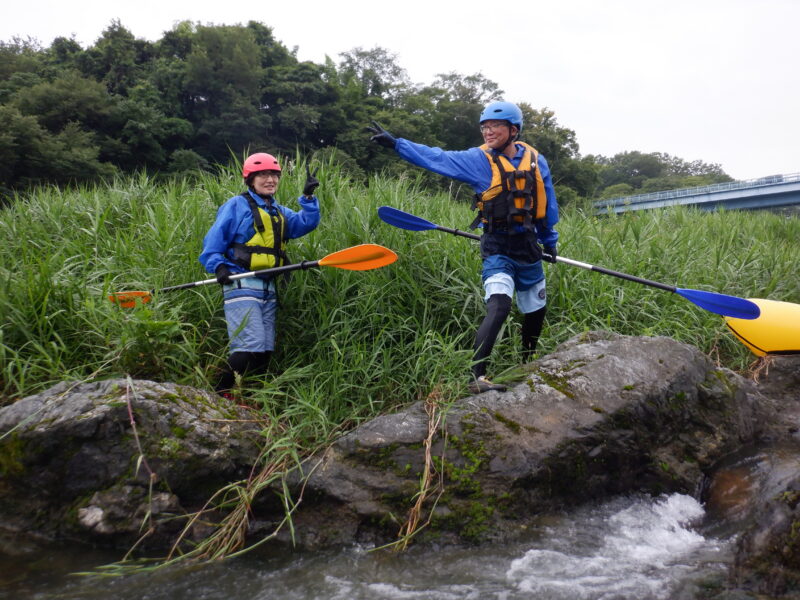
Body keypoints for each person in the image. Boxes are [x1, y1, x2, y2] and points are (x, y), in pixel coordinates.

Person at [368, 101, 559, 394]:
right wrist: (398, 145)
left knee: (535, 310)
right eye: (484, 127)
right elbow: (438, 158)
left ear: (514, 130)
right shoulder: (477, 160)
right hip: (496, 246)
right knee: (500, 304)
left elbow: (547, 201)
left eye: (495, 126)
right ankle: (477, 377)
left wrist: (550, 241)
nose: (488, 131)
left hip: (529, 245)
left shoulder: (535, 160)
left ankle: (527, 365)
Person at [199, 153, 321, 399]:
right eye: (263, 175)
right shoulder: (236, 205)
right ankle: (214, 396)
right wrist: (218, 266)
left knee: (264, 352)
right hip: (241, 282)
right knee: (247, 349)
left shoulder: (278, 210)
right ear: (250, 179)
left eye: (274, 175)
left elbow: (305, 224)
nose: (270, 180)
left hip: (268, 287)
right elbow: (213, 242)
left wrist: (308, 197)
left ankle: (243, 398)